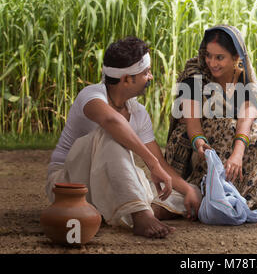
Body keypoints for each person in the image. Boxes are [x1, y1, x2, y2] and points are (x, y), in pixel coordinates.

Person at [45, 37, 202, 239]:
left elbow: (160, 164)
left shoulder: (138, 113)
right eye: (146, 73)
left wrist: (188, 189)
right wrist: (152, 164)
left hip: (107, 179)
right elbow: (112, 121)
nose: (151, 77)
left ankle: (122, 211)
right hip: (68, 185)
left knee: (185, 194)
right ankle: (140, 214)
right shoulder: (91, 96)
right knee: (110, 134)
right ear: (127, 79)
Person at [164, 25, 257, 213]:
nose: (212, 63)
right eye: (209, 55)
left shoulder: (243, 77)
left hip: (230, 143)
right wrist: (199, 141)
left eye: (219, 57)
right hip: (195, 145)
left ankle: (243, 196)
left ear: (236, 58)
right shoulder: (194, 74)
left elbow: (248, 115)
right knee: (223, 124)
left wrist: (237, 153)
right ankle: (204, 190)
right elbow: (192, 120)